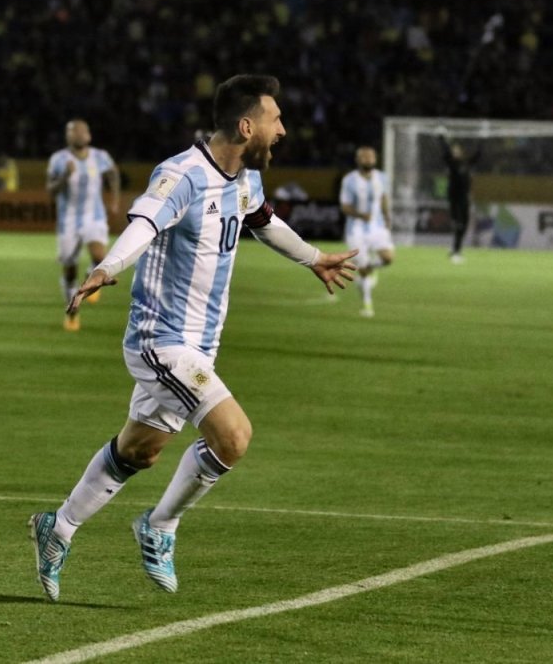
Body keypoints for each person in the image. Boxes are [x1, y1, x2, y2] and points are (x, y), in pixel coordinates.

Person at [28, 75, 357, 601]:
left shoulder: (245, 176)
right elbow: (144, 224)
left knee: (140, 450)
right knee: (233, 437)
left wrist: (314, 259)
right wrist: (106, 267)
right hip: (160, 340)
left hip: (200, 344)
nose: (283, 131)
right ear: (247, 125)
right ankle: (159, 526)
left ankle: (58, 527)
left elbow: (262, 220)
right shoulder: (181, 174)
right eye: (275, 120)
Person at [46, 119, 121, 331]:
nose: (80, 134)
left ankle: (93, 280)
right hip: (68, 221)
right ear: (68, 136)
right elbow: (51, 191)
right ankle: (72, 312)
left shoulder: (100, 157)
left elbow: (113, 174)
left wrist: (114, 200)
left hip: (94, 217)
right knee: (70, 269)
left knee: (100, 258)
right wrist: (64, 176)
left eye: (83, 130)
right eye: (74, 131)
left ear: (88, 135)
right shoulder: (59, 160)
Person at [339, 146, 394, 317]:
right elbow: (345, 206)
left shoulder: (382, 178)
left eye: (371, 156)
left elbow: (384, 197)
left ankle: (371, 267)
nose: (368, 159)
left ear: (375, 159)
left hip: (377, 227)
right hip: (356, 230)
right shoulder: (349, 180)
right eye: (364, 156)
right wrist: (361, 215)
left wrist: (386, 216)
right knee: (361, 269)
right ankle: (367, 303)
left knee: (388, 258)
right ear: (358, 160)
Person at [439, 137, 480, 264]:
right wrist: (441, 137)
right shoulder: (451, 163)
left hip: (465, 199)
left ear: (461, 152)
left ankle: (456, 248)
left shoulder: (466, 163)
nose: (455, 152)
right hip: (454, 198)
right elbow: (445, 150)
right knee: (459, 224)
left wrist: (482, 139)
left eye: (457, 150)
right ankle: (456, 252)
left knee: (465, 224)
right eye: (453, 150)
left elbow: (478, 156)